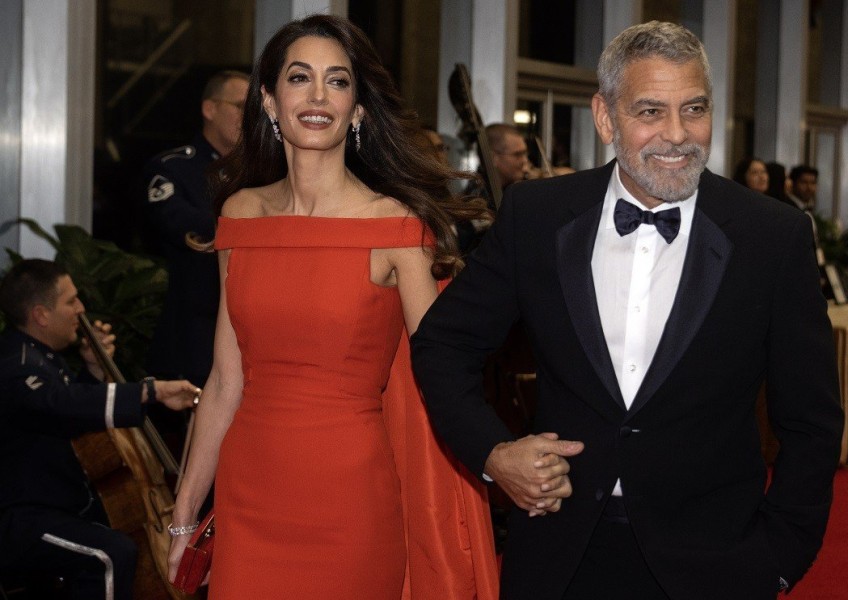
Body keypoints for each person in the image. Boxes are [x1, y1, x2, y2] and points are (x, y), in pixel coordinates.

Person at [412, 21, 843, 600]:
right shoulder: (538, 216)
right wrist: (493, 452)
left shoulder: (773, 237)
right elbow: (443, 345)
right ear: (604, 117)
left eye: (694, 109)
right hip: (560, 557)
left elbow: (811, 422)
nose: (677, 134)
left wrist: (779, 559)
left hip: (714, 565)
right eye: (649, 111)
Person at [166, 14, 497, 599]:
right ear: (269, 100)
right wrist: (185, 515)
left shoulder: (397, 226)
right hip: (248, 501)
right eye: (300, 78)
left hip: (352, 505)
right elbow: (224, 379)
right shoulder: (240, 216)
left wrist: (498, 454)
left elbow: (440, 380)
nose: (318, 97)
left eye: (338, 82)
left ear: (359, 108)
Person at [0, 259, 198, 600]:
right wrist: (150, 391)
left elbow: (64, 414)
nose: (81, 308)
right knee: (111, 554)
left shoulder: (41, 356)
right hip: (19, 517)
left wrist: (92, 369)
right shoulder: (14, 364)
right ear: (41, 315)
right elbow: (59, 403)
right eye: (71, 300)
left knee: (121, 535)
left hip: (57, 505)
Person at [143, 69, 249, 390]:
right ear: (210, 109)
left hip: (253, 338)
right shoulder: (174, 168)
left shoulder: (263, 173)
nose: (249, 118)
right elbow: (179, 223)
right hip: (195, 340)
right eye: (240, 107)